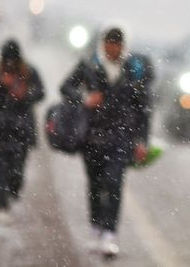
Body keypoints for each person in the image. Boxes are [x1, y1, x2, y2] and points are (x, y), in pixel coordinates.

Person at [60, 26, 153, 258]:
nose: (113, 49)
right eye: (109, 44)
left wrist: (141, 140)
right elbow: (66, 87)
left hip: (121, 137)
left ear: (123, 45)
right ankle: (95, 229)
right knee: (94, 184)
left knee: (113, 183)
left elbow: (143, 107)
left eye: (117, 44)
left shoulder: (133, 69)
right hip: (92, 135)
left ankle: (110, 234)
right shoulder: (89, 65)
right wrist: (84, 98)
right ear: (103, 44)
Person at [0, 38, 44, 222]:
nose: (10, 64)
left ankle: (13, 192)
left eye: (14, 60)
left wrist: (26, 94)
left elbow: (41, 93)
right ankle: (1, 207)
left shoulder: (29, 72)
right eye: (7, 60)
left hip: (22, 131)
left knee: (17, 173)